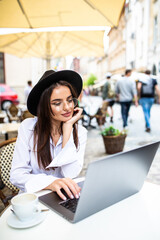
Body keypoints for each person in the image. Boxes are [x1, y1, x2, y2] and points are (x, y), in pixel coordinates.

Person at [10, 70, 87, 201]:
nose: (67, 107)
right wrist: (50, 183)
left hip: (63, 198)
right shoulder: (28, 128)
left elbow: (70, 174)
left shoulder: (80, 132)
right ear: (44, 106)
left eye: (70, 100)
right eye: (57, 103)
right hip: (33, 199)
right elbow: (17, 175)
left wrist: (68, 127)